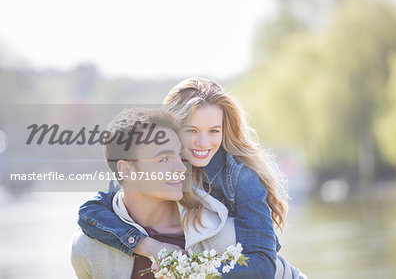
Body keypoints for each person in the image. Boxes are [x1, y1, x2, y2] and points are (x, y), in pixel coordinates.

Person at [77, 78, 294, 278]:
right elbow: (90, 214)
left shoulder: (241, 177)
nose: (203, 143)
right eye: (192, 131)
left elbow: (262, 264)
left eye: (213, 131)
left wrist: (192, 274)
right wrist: (147, 245)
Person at [71, 107, 236, 278]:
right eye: (164, 159)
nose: (181, 168)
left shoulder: (222, 237)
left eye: (180, 156)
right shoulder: (88, 248)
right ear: (126, 171)